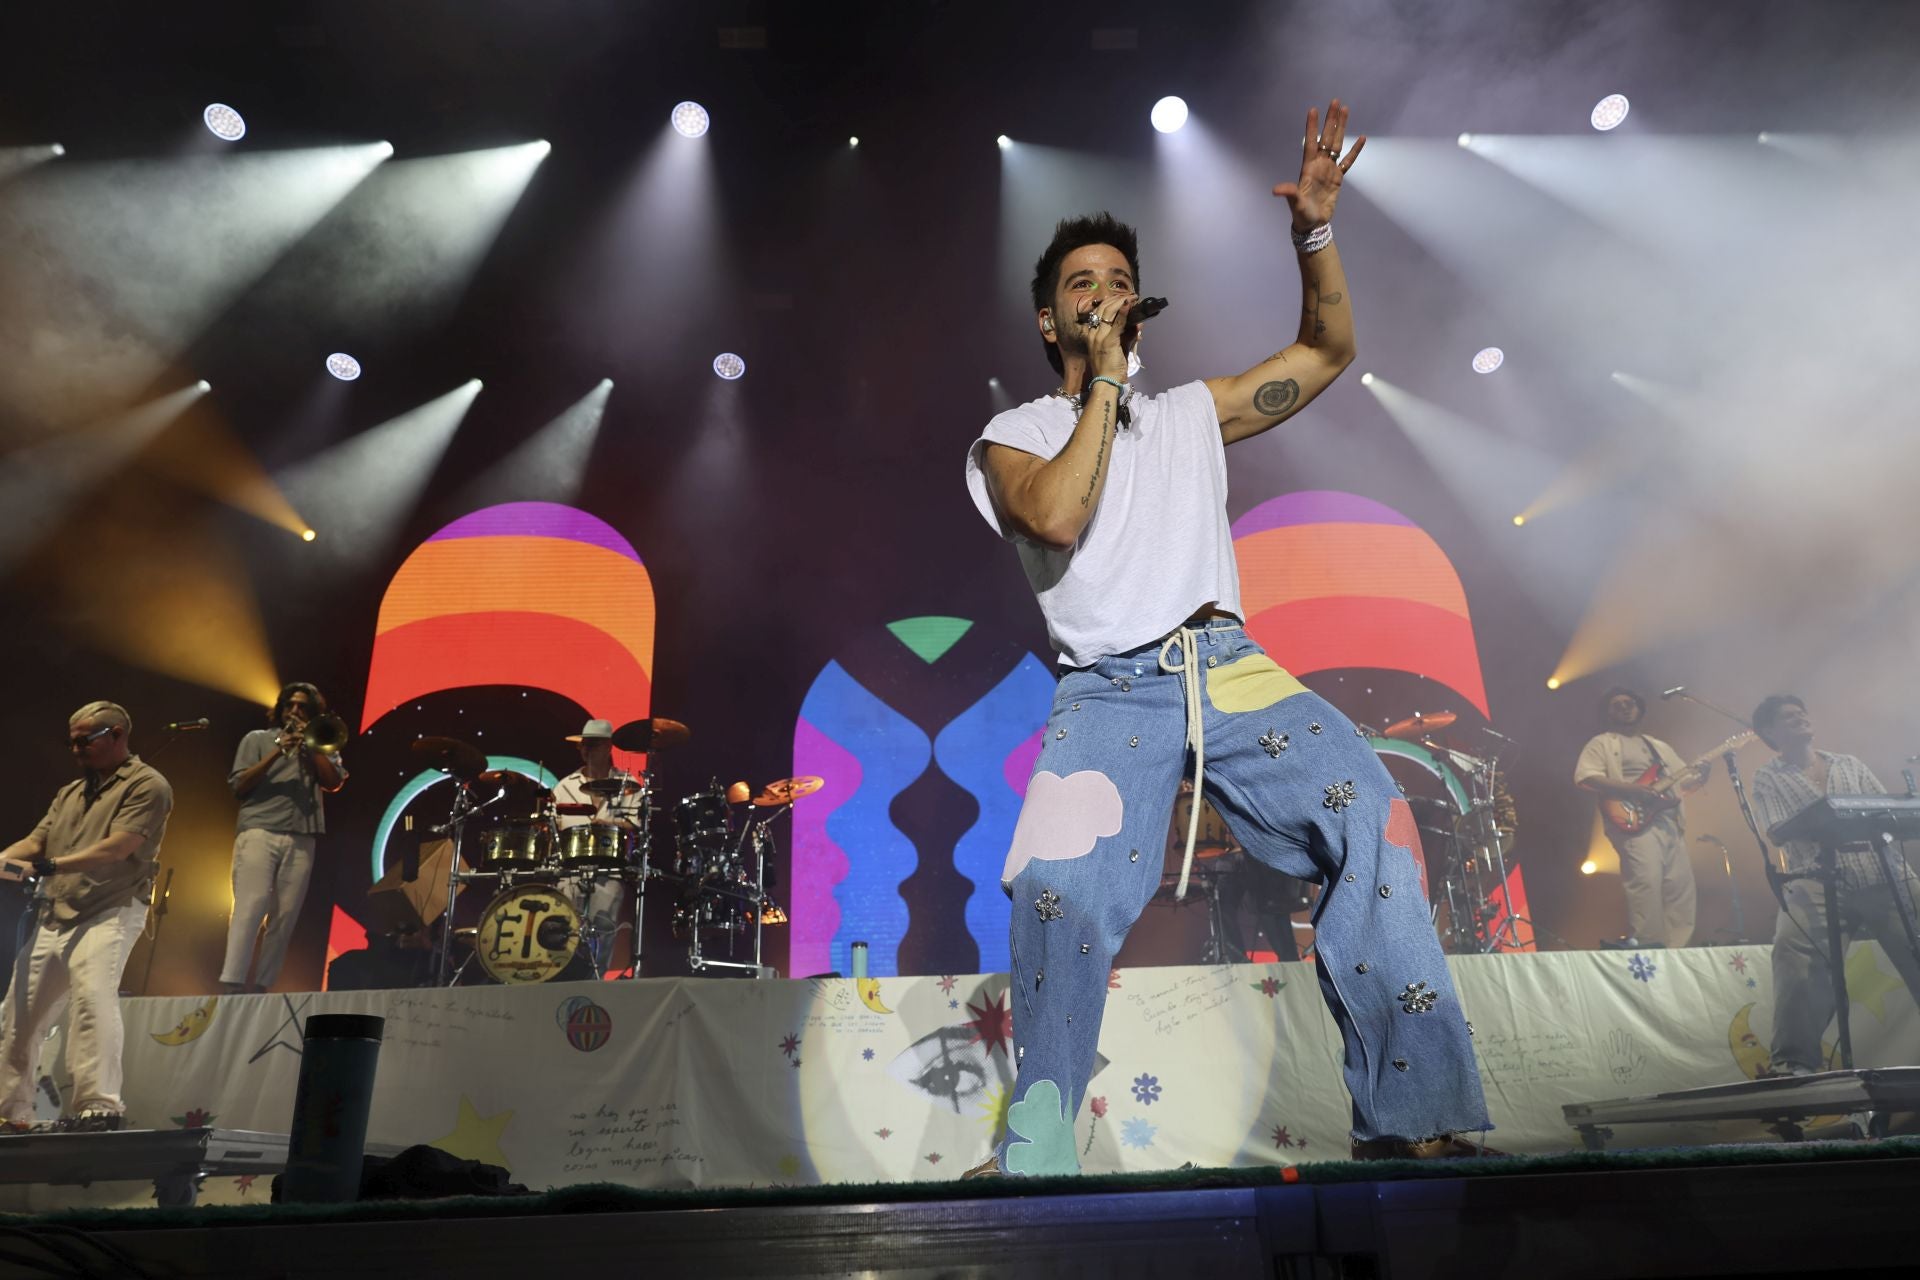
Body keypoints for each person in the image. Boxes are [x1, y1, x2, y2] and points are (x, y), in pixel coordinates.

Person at [963, 100, 1488, 1174]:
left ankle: (1412, 1111)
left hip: (1230, 667)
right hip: (1109, 689)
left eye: (1117, 280)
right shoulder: (1012, 435)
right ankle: (1044, 1141)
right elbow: (1059, 515)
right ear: (1049, 323)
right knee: (1056, 891)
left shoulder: (1196, 411)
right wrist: (1104, 380)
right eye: (1080, 285)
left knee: (1377, 817)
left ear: (1140, 305)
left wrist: (1316, 235)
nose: (1103, 293)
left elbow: (1331, 347)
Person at [0, 701, 173, 1132]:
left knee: (92, 1001)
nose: (75, 748)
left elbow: (118, 848)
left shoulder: (148, 785)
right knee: (17, 1014)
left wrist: (50, 867)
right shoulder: (70, 793)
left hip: (109, 910)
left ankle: (100, 1108)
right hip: (56, 913)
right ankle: (10, 1111)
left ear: (117, 735)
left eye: (85, 740)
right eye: (71, 740)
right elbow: (37, 841)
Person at [1748, 694, 1920, 1075]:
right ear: (1769, 732)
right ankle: (1795, 1062)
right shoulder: (1768, 776)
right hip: (1816, 876)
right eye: (1787, 717)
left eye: (1801, 713)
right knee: (1795, 952)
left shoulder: (1848, 764)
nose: (1800, 719)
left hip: (1882, 870)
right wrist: (1827, 820)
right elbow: (1777, 830)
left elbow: (1885, 812)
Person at [220, 682, 346, 993]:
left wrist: (312, 747)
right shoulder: (257, 739)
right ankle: (232, 982)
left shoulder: (322, 746)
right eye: (290, 705)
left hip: (303, 834)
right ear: (280, 708)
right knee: (251, 906)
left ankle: (262, 986)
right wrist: (279, 749)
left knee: (286, 915)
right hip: (260, 829)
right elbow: (239, 785)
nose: (295, 712)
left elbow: (332, 783)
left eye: (303, 707)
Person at [1573, 686, 1702, 948]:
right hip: (1633, 820)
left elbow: (1685, 782)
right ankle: (1649, 946)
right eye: (1616, 704)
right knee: (1646, 881)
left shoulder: (1659, 747)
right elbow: (1586, 777)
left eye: (1629, 702)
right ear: (1608, 713)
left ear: (1640, 709)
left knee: (1680, 886)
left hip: (1668, 821)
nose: (1624, 706)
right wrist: (1633, 789)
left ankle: (1678, 948)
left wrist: (1705, 774)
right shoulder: (1602, 743)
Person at [549, 719, 642, 948]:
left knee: (602, 933)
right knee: (566, 934)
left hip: (610, 872)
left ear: (609, 747)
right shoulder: (564, 786)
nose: (586, 750)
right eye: (584, 745)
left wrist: (610, 826)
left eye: (594, 745)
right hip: (570, 871)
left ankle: (595, 981)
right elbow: (552, 827)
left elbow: (639, 827)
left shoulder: (628, 784)